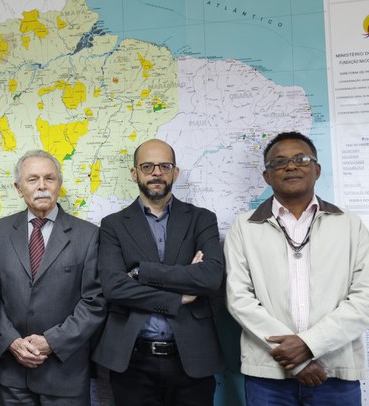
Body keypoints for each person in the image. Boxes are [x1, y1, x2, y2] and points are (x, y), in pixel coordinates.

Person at [225, 131, 369, 405]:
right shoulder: (244, 227)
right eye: (279, 162)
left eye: (301, 159)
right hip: (268, 376)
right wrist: (298, 361)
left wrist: (310, 344)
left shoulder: (350, 224)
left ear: (317, 169)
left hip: (334, 373)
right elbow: (238, 299)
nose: (290, 166)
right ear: (267, 176)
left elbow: (365, 298)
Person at [92, 139, 226, 406]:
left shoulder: (202, 219)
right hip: (132, 361)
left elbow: (210, 278)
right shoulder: (113, 225)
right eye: (147, 166)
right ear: (135, 173)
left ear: (175, 172)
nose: (156, 173)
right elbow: (114, 287)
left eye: (164, 166)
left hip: (192, 357)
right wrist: (178, 297)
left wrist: (141, 272)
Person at [0, 150, 105, 405]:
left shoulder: (88, 235)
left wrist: (52, 342)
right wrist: (11, 341)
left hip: (65, 373)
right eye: (32, 179)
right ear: (18, 188)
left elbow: (94, 302)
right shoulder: (0, 231)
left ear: (59, 185)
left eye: (49, 178)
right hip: (13, 374)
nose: (42, 186)